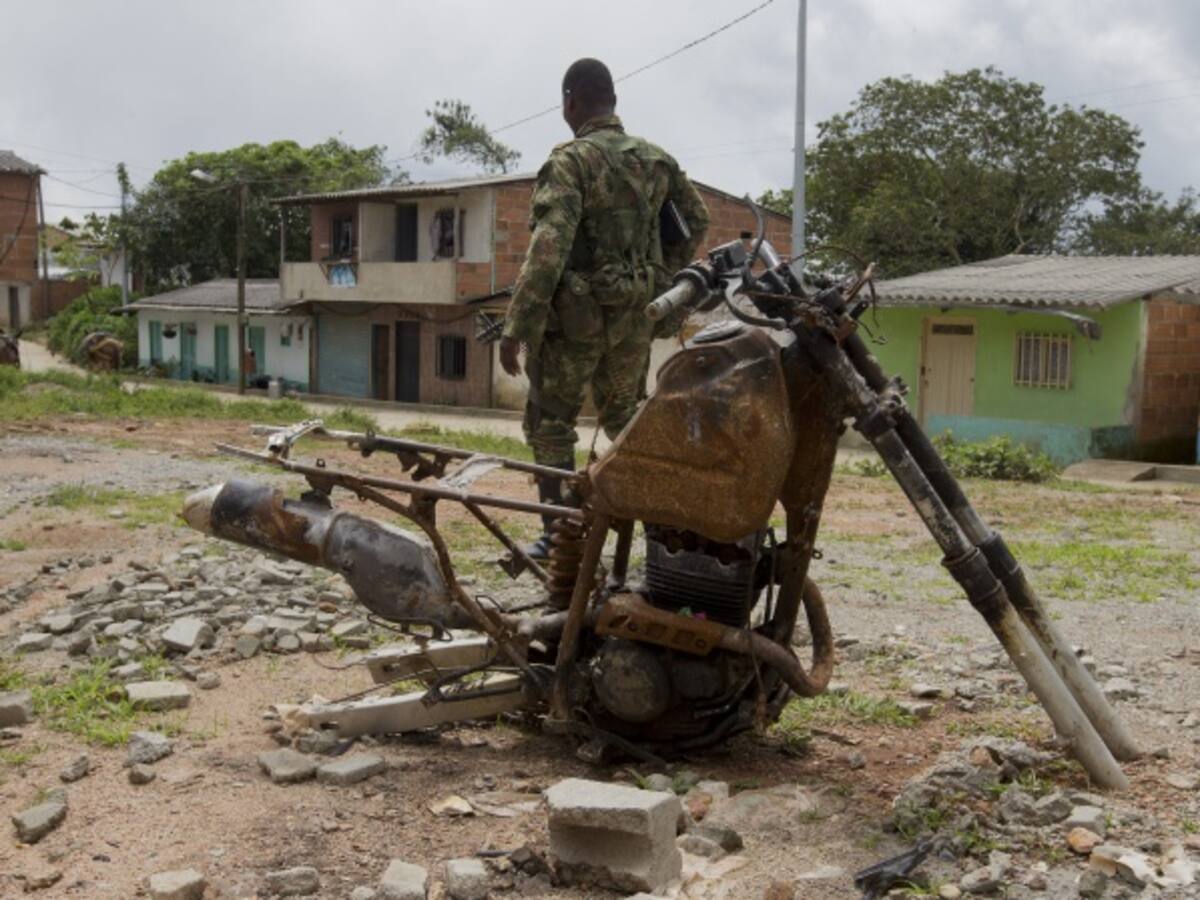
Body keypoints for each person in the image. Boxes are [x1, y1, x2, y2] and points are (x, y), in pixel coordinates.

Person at [499, 57, 709, 558]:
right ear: (612, 100)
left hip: (575, 322)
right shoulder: (657, 160)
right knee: (626, 420)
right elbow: (697, 221)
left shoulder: (571, 161)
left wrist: (517, 326)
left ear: (570, 101)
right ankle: (663, 533)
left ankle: (556, 534)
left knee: (551, 423)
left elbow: (548, 248)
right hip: (635, 317)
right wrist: (660, 276)